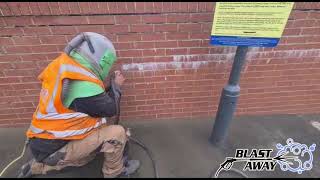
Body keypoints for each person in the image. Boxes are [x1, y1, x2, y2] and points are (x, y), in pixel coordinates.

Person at [18, 32, 140, 178]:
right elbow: (109, 109)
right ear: (103, 61)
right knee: (117, 133)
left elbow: (92, 103)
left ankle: (37, 167)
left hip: (44, 143)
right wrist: (117, 87)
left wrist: (110, 87)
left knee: (88, 155)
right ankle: (115, 173)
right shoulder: (81, 84)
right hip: (55, 148)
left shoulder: (67, 69)